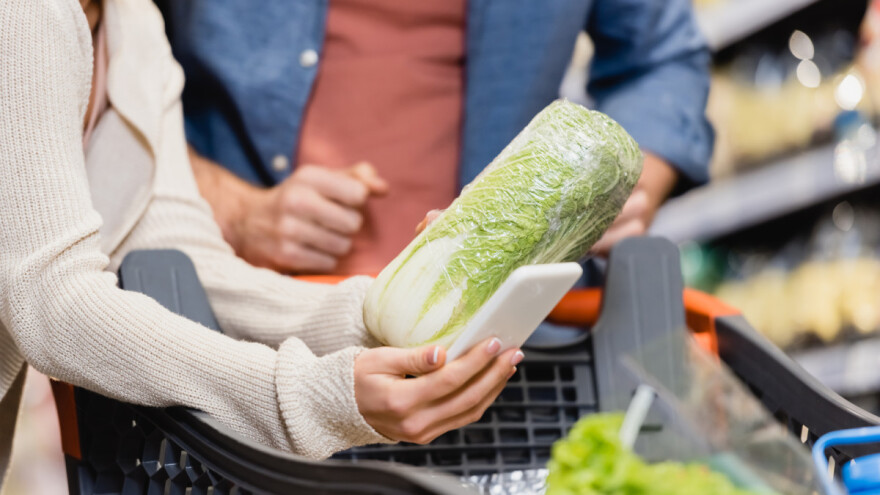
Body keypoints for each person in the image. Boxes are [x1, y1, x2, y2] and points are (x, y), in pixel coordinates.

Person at [0, 0, 523, 483]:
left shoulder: (132, 21)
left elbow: (180, 254)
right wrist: (305, 397)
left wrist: (380, 316)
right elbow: (51, 299)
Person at [156, 0, 714, 275]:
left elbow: (660, 58)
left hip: (498, 344)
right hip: (235, 330)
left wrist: (626, 186)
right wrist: (232, 208)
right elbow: (92, 67)